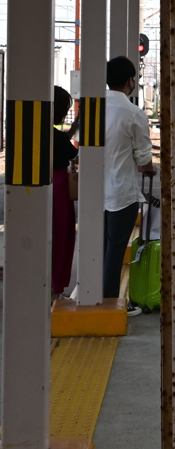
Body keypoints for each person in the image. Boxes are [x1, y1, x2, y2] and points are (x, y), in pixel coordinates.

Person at [104, 56, 155, 311]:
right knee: (114, 249)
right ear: (130, 81)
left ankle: (96, 294)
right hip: (121, 193)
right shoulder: (133, 113)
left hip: (94, 192)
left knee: (99, 246)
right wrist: (150, 168)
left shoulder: (93, 108)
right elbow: (144, 157)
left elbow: (80, 147)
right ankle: (110, 300)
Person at [51, 86, 79, 299]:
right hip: (59, 188)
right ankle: (56, 286)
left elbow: (60, 142)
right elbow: (73, 154)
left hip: (37, 187)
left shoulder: (34, 129)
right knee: (61, 236)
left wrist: (71, 131)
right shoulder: (57, 138)